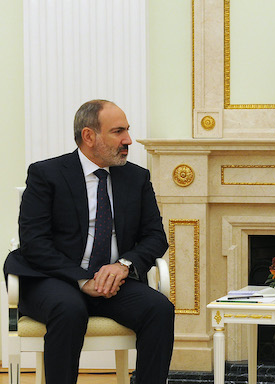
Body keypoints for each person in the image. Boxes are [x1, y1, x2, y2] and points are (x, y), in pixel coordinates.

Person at [4, 100, 174, 384]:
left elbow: (155, 236)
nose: (128, 140)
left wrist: (123, 265)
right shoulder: (46, 174)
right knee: (69, 308)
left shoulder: (136, 177)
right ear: (89, 136)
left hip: (113, 281)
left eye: (127, 131)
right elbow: (35, 243)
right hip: (53, 279)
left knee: (159, 309)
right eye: (118, 131)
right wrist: (84, 281)